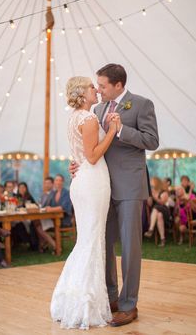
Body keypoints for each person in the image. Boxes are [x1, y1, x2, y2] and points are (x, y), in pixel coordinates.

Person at [69, 64, 159, 327]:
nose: (98, 89)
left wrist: (121, 130)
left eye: (103, 85)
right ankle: (111, 299)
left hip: (130, 186)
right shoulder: (96, 110)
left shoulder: (141, 104)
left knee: (130, 246)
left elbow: (152, 141)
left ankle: (129, 304)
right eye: (96, 85)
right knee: (103, 244)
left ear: (119, 85)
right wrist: (78, 164)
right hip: (102, 188)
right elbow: (92, 148)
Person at [50, 76, 119, 329]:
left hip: (81, 181)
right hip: (92, 180)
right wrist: (112, 130)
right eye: (92, 87)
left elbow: (80, 154)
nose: (96, 90)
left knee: (87, 240)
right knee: (92, 241)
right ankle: (85, 306)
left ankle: (72, 299)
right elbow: (91, 156)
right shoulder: (88, 119)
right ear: (82, 92)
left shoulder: (73, 118)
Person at [144, 177, 170, 247]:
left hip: (165, 211)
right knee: (159, 215)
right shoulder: (151, 191)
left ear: (156, 183)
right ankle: (162, 239)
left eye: (152, 182)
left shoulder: (163, 192)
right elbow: (149, 204)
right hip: (157, 214)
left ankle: (151, 229)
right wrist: (149, 196)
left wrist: (154, 196)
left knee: (156, 208)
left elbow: (162, 202)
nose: (151, 184)